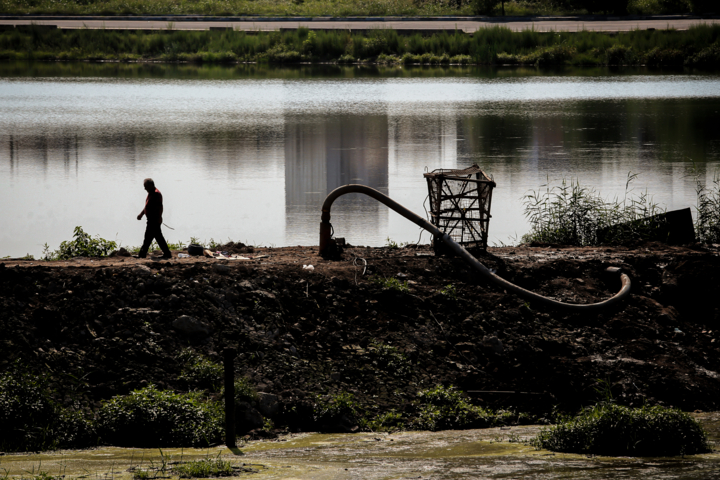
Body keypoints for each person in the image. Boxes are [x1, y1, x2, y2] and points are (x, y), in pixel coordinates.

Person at [136, 178, 172, 259]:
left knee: (148, 237)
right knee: (157, 237)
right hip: (151, 219)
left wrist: (159, 218)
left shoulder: (156, 194)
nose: (144, 188)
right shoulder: (150, 193)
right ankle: (167, 253)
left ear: (151, 185)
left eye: (146, 186)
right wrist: (141, 214)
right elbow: (147, 207)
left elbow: (160, 208)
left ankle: (142, 255)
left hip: (154, 219)